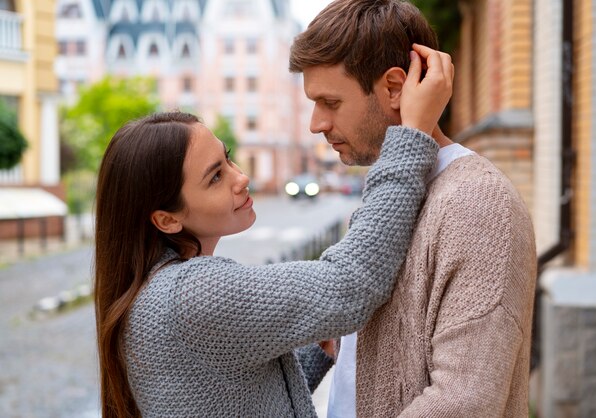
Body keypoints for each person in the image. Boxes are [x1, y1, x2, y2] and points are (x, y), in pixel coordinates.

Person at [93, 44, 453, 417]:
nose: (241, 178)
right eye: (215, 176)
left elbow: (238, 398)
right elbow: (350, 284)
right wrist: (411, 137)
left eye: (228, 158)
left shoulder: (159, 292)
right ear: (166, 219)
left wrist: (315, 345)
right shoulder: (192, 293)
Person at [289, 0, 537, 417]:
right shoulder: (390, 195)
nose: (316, 124)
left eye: (330, 102)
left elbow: (464, 402)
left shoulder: (477, 203)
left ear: (394, 88)